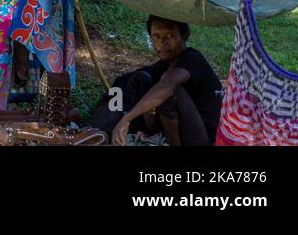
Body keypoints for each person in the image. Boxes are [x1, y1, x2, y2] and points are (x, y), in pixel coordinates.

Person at [91, 16, 222, 146]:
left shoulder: (193, 59)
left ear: (185, 35)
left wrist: (127, 118)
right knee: (142, 78)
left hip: (204, 138)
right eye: (156, 37)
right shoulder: (163, 66)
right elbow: (153, 116)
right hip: (179, 128)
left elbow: (166, 87)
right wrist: (145, 122)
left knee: (169, 92)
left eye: (170, 36)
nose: (162, 42)